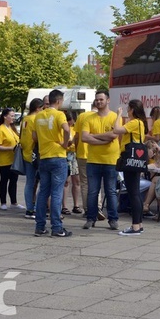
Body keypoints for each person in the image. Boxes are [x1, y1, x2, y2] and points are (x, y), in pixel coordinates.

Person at [33, 89, 72, 237]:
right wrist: (65, 142)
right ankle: (57, 227)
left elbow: (35, 137)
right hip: (57, 155)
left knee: (43, 192)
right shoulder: (59, 114)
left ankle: (40, 226)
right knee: (56, 193)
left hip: (44, 157)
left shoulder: (39, 116)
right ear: (59, 101)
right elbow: (66, 128)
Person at [81, 89, 120, 231]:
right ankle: (90, 218)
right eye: (97, 100)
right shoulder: (89, 118)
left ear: (108, 100)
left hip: (111, 160)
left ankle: (113, 219)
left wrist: (95, 136)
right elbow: (84, 137)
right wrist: (103, 139)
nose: (98, 102)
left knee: (110, 191)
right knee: (92, 191)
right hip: (93, 160)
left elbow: (114, 135)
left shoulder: (115, 117)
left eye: (101, 99)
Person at [113, 99, 147, 236]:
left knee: (133, 193)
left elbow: (116, 130)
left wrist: (118, 115)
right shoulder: (141, 123)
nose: (127, 110)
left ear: (132, 109)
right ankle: (139, 224)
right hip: (137, 161)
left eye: (128, 108)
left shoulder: (134, 122)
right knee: (136, 192)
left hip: (130, 160)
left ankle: (135, 227)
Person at [0, 107, 24, 211]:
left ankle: (14, 202)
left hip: (14, 159)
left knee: (13, 181)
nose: (13, 118)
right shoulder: (1, 129)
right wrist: (11, 148)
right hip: (4, 160)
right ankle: (3, 202)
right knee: (4, 180)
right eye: (11, 116)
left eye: (14, 116)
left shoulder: (12, 128)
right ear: (5, 117)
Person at [20, 98, 43, 219]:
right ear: (38, 108)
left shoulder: (25, 119)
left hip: (26, 153)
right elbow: (36, 137)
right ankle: (34, 208)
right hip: (35, 154)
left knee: (29, 182)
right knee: (38, 182)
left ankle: (29, 208)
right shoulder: (36, 119)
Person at [74, 99, 98, 218]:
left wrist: (77, 149)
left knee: (84, 183)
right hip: (96, 154)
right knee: (96, 182)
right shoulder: (100, 117)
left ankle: (87, 208)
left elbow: (77, 136)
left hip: (82, 153)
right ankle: (97, 207)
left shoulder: (82, 116)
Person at [62, 111, 81, 216]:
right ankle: (64, 206)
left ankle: (76, 204)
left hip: (74, 155)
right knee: (66, 181)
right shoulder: (63, 129)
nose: (70, 123)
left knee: (77, 181)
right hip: (66, 154)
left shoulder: (75, 129)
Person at [141, 140, 160, 217]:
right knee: (154, 184)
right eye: (152, 150)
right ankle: (146, 205)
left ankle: (145, 205)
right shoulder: (144, 158)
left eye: (155, 151)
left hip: (149, 179)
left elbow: (159, 164)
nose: (154, 153)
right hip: (141, 179)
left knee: (155, 183)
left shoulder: (156, 158)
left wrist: (159, 150)